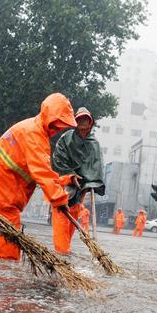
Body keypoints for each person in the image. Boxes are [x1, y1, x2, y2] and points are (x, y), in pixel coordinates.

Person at [0, 93, 76, 260]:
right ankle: (4, 282)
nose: (59, 129)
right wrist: (60, 200)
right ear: (49, 117)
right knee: (7, 251)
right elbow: (41, 172)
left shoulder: (29, 127)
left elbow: (35, 173)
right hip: (2, 191)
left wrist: (65, 180)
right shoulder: (35, 135)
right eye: (58, 124)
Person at [50, 107, 105, 253]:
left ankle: (64, 251)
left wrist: (90, 183)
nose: (82, 122)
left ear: (90, 122)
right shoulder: (66, 138)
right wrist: (70, 175)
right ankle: (62, 252)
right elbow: (58, 160)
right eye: (79, 119)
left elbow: (96, 167)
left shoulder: (94, 144)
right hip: (64, 188)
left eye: (85, 119)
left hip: (80, 190)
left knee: (71, 224)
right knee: (61, 221)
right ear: (75, 120)